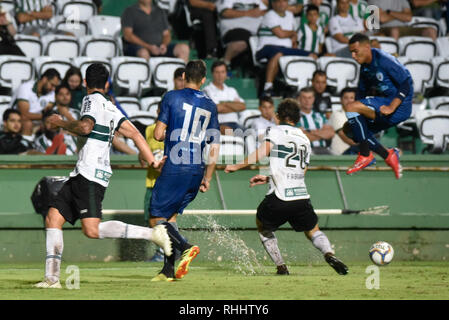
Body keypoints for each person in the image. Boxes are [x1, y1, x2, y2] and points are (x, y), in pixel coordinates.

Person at [33, 63, 173, 289]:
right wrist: (154, 160)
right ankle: (52, 280)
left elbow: (85, 127)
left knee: (92, 230)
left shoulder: (91, 100)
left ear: (86, 83)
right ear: (107, 84)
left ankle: (152, 233)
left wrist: (61, 122)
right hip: (83, 173)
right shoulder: (110, 107)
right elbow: (136, 135)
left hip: (89, 173)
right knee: (53, 218)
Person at [224, 98, 348, 276]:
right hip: (301, 196)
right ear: (297, 119)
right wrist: (268, 178)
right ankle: (329, 253)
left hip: (280, 196)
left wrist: (237, 165)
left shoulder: (275, 131)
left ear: (277, 116)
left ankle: (281, 266)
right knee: (313, 230)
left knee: (262, 224)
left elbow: (261, 152)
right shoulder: (304, 138)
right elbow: (301, 171)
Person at [149, 60, 220, 281]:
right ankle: (168, 270)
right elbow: (215, 145)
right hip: (197, 168)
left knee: (155, 218)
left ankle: (185, 246)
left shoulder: (172, 97)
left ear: (184, 76)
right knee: (169, 217)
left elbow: (158, 135)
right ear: (203, 80)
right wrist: (207, 177)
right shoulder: (211, 105)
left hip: (176, 165)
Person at [344, 33, 413, 179]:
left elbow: (406, 83)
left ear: (367, 47)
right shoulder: (365, 68)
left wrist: (392, 107)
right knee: (351, 130)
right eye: (351, 52)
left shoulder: (384, 60)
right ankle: (388, 155)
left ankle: (365, 154)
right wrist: (356, 117)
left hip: (399, 105)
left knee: (350, 108)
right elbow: (361, 94)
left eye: (355, 51)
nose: (353, 56)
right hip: (385, 105)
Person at [256, 0, 316, 97]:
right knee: (278, 53)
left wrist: (294, 41)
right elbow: (281, 34)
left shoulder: (290, 15)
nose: (281, 4)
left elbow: (293, 37)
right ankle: (268, 87)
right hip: (265, 49)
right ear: (273, 3)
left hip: (285, 50)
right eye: (278, 1)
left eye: (284, 1)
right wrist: (292, 33)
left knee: (311, 55)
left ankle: (307, 88)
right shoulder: (270, 15)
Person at [121, 0, 190, 62]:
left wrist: (164, 45)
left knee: (184, 48)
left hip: (159, 48)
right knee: (143, 53)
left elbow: (167, 34)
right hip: (138, 48)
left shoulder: (160, 11)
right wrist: (148, 47)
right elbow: (128, 35)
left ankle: (180, 75)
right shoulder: (129, 11)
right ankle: (147, 75)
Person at [10, 68, 61, 138]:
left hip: (38, 122)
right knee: (28, 123)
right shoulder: (25, 88)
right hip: (16, 120)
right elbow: (24, 115)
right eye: (52, 85)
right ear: (44, 79)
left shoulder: (51, 94)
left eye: (55, 86)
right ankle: (25, 147)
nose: (53, 89)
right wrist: (44, 117)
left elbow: (48, 112)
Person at [217, 0, 267, 69]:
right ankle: (225, 62)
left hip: (258, 30)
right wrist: (249, 13)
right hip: (235, 28)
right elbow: (225, 12)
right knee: (241, 43)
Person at [203, 60, 246, 134]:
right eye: (217, 72)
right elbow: (215, 108)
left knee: (251, 134)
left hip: (235, 124)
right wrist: (234, 107)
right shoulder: (207, 90)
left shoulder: (232, 90)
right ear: (212, 74)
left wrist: (224, 104)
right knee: (230, 131)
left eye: (223, 72)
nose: (220, 75)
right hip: (217, 124)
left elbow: (242, 106)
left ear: (226, 74)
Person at [296, 87, 334, 155]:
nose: (307, 101)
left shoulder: (320, 115)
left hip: (324, 149)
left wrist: (309, 131)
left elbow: (330, 133)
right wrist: (321, 133)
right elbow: (301, 137)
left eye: (310, 98)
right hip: (306, 150)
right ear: (299, 99)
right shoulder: (295, 117)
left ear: (313, 99)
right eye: (304, 97)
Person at [328, 87, 359, 155]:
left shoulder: (358, 116)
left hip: (355, 154)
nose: (349, 101)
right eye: (346, 98)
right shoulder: (337, 114)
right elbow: (345, 138)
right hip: (341, 154)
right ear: (341, 100)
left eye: (351, 98)